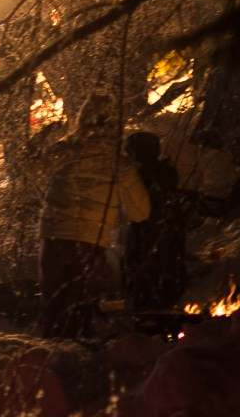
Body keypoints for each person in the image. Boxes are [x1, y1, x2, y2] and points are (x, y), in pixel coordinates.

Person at [37, 93, 151, 337]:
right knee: (80, 313)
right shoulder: (120, 165)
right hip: (89, 245)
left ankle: (48, 364)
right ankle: (76, 363)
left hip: (52, 241)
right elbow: (141, 213)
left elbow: (32, 169)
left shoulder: (63, 151)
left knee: (54, 312)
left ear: (82, 119)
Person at [121, 130, 190, 311]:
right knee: (167, 279)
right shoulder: (166, 175)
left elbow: (138, 212)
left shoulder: (139, 179)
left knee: (146, 282)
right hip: (169, 236)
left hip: (147, 235)